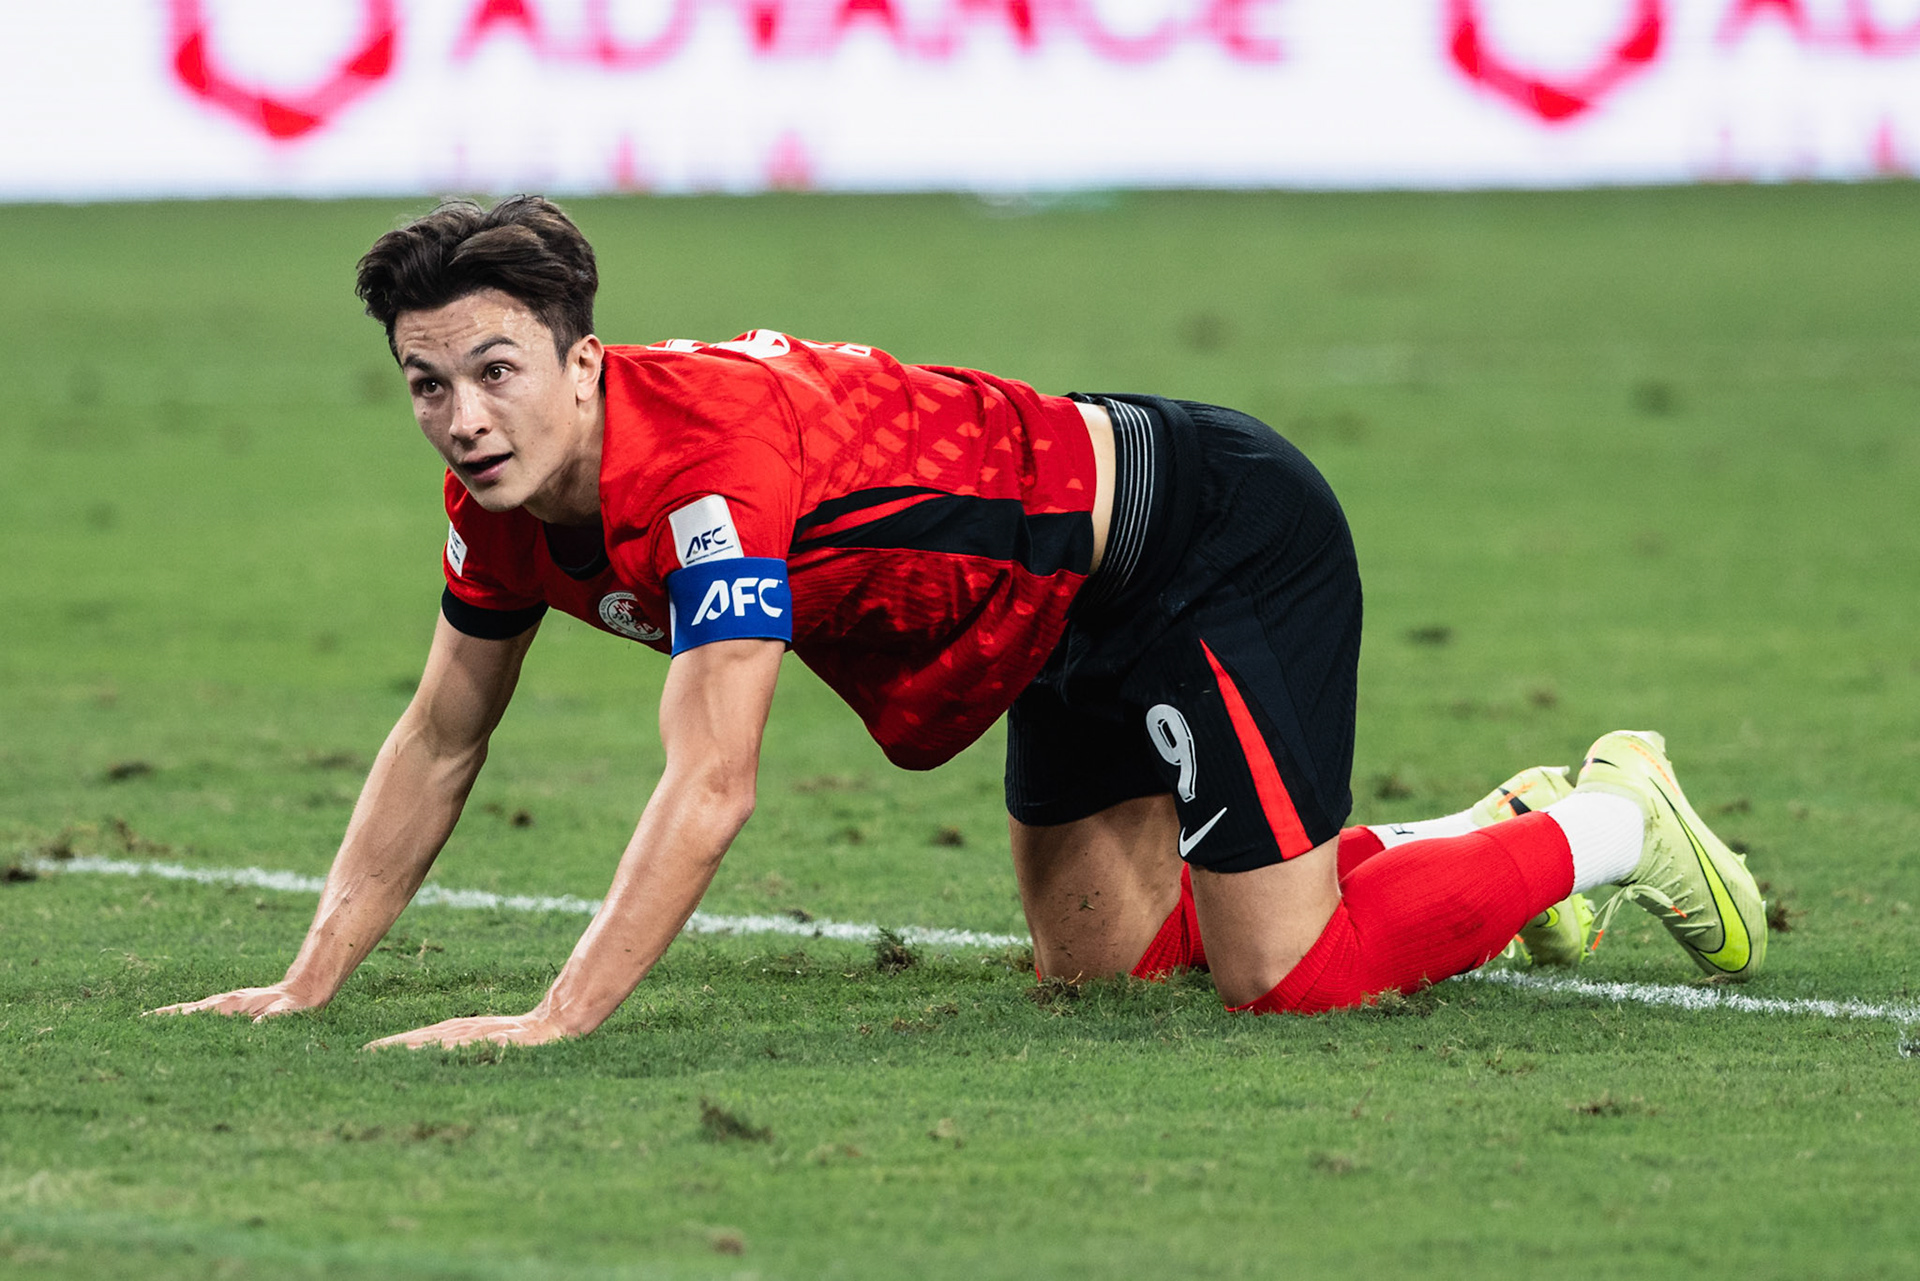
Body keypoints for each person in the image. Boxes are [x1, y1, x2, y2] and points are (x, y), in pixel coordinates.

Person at [150, 197, 1767, 1048]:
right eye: (425, 382)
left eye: (494, 369)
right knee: (1104, 970)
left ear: (583, 358)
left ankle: (1615, 822)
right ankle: (1485, 831)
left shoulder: (704, 469)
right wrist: (311, 981)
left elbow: (712, 783)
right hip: (1047, 616)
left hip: (1196, 538)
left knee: (1285, 982)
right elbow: (441, 736)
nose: (460, 415)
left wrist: (552, 1016)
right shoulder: (501, 501)